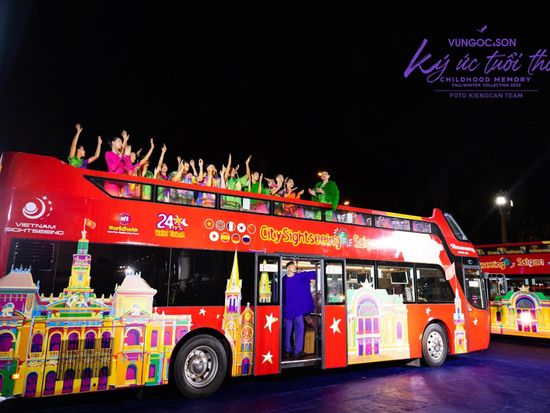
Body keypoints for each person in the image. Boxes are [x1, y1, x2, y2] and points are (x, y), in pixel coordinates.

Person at [283, 261, 317, 357]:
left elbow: (312, 273)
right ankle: (287, 350)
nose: (294, 268)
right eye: (292, 266)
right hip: (288, 309)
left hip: (298, 309)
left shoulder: (299, 276)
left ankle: (297, 351)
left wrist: (313, 279)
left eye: (294, 266)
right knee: (288, 330)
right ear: (288, 268)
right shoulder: (283, 280)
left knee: (300, 328)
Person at [104, 130, 130, 196]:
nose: (121, 143)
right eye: (119, 141)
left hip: (119, 187)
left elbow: (128, 167)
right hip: (111, 186)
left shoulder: (121, 156)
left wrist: (125, 142)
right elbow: (113, 168)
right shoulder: (108, 153)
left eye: (121, 142)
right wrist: (120, 155)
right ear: (113, 143)